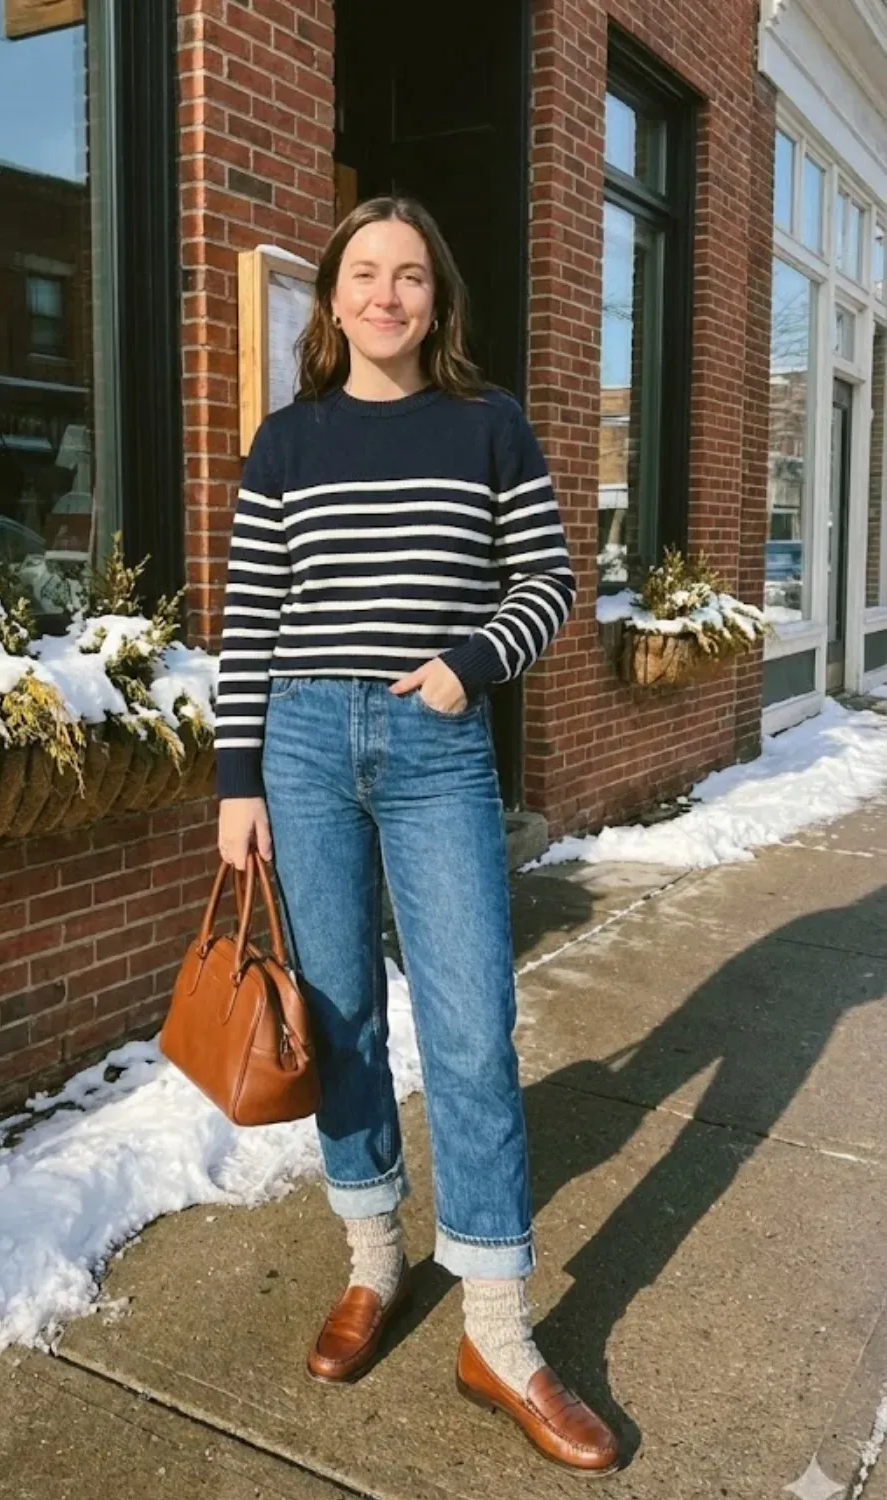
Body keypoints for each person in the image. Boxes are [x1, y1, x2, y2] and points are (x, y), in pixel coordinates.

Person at [214, 196, 620, 1476]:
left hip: (436, 744)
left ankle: (497, 1329)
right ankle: (371, 1264)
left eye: (409, 278)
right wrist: (238, 783)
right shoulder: (285, 443)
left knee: (467, 1022)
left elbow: (552, 580)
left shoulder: (487, 424)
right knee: (336, 1017)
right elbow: (250, 619)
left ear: (435, 300)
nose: (386, 296)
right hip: (300, 744)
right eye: (363, 275)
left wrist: (467, 663)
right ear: (331, 302)